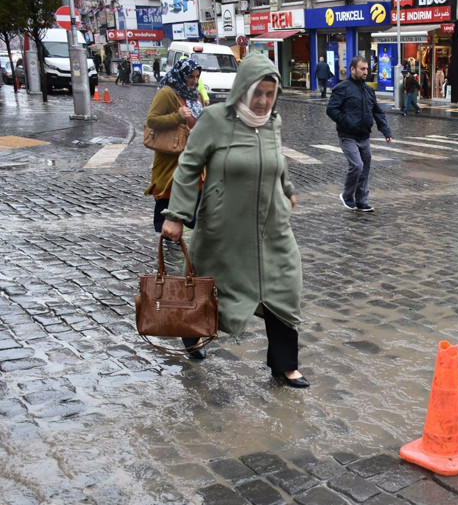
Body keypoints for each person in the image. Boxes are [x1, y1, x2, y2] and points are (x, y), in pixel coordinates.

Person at [160, 54, 309, 388]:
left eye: (270, 94)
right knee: (210, 285)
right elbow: (188, 166)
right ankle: (192, 334)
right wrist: (176, 216)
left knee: (285, 287)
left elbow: (277, 159)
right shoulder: (215, 119)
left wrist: (287, 190)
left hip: (272, 226)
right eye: (258, 93)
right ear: (243, 88)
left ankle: (285, 365)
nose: (263, 101)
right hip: (224, 228)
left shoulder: (273, 121)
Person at [326, 57, 393, 213]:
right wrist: (347, 122)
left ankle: (362, 201)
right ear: (352, 69)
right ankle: (347, 195)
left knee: (365, 169)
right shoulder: (342, 88)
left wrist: (386, 131)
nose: (365, 72)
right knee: (357, 165)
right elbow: (331, 109)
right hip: (347, 136)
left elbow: (377, 112)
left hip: (364, 136)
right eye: (362, 69)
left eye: (367, 69)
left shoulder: (368, 90)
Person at [145, 59, 203, 237]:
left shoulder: (195, 95)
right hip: (171, 155)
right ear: (181, 75)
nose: (193, 80)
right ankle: (163, 235)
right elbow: (152, 120)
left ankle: (191, 230)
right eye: (190, 76)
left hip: (194, 154)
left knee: (197, 191)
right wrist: (177, 116)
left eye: (196, 77)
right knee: (168, 194)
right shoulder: (167, 93)